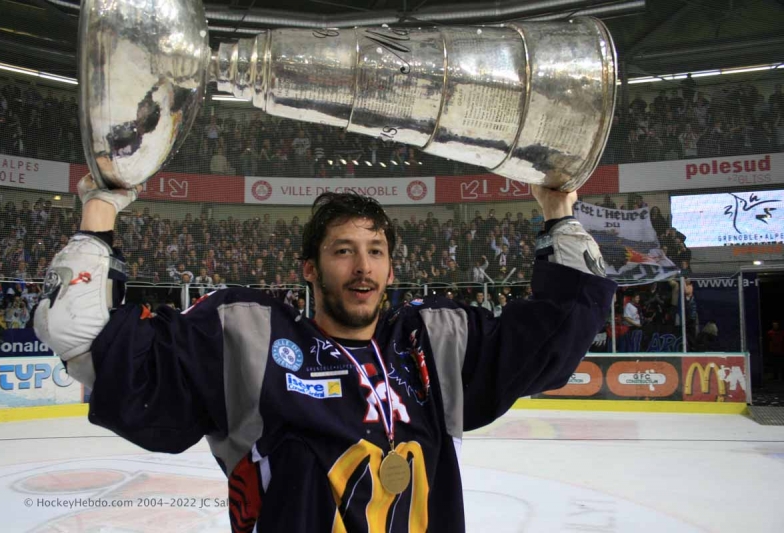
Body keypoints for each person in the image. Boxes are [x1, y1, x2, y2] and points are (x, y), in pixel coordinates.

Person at [34, 176, 615, 532]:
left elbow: (558, 335)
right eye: (343, 251)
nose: (363, 267)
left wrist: (559, 211)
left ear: (391, 267)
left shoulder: (431, 342)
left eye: (375, 251)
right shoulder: (253, 339)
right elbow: (80, 334)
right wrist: (100, 213)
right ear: (309, 269)